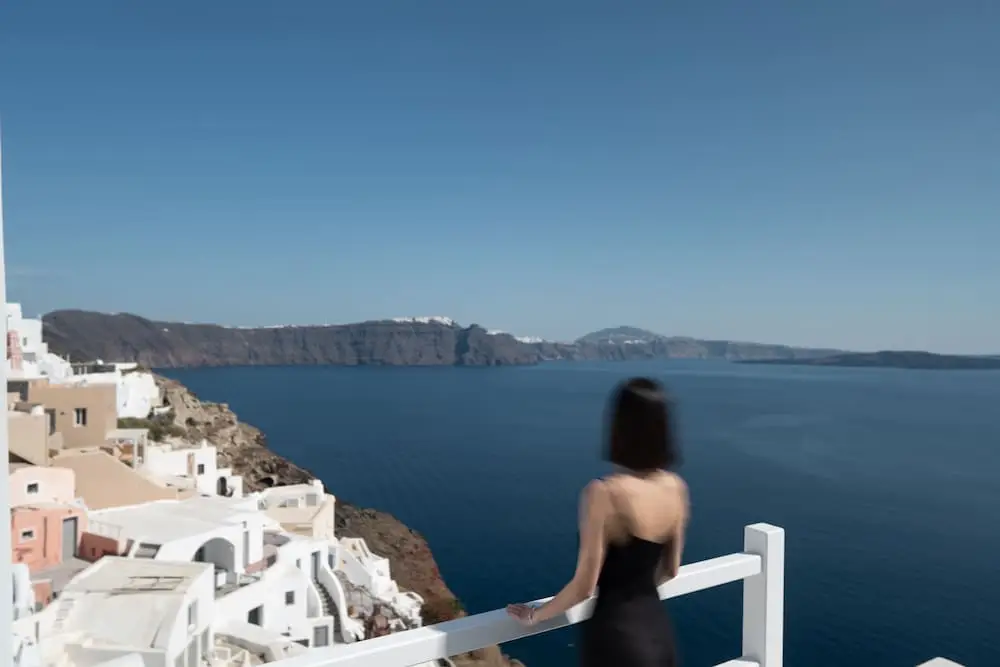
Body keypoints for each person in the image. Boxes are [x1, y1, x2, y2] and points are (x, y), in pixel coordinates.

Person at [507, 377, 688, 667]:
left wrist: (535, 615)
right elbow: (671, 569)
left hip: (616, 639)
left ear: (620, 427)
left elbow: (584, 586)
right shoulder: (676, 487)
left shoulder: (604, 493)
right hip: (658, 634)